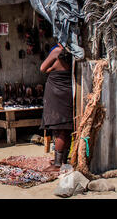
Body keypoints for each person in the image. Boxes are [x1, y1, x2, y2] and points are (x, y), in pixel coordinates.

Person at [40, 43, 73, 172]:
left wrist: (51, 68)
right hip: (68, 90)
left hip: (56, 91)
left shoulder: (57, 51)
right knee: (66, 127)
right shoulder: (75, 52)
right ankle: (63, 160)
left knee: (59, 128)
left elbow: (43, 68)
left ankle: (58, 164)